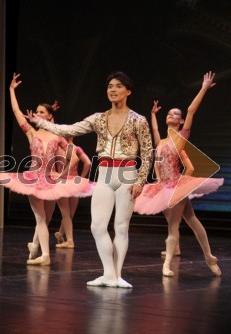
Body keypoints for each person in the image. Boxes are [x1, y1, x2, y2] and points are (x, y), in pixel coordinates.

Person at [29, 71, 153, 288]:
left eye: (117, 86)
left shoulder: (139, 120)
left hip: (127, 173)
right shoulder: (99, 118)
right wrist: (42, 122)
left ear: (128, 91)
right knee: (97, 226)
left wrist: (141, 180)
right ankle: (108, 273)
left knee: (121, 226)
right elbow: (68, 129)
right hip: (105, 172)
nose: (112, 90)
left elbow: (148, 152)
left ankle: (118, 275)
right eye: (109, 86)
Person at [0, 73, 93, 266]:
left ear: (50, 116)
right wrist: (11, 90)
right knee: (41, 218)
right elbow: (16, 112)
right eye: (37, 112)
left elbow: (74, 155)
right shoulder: (31, 132)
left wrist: (63, 174)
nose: (37, 114)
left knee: (45, 218)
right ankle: (40, 251)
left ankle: (40, 251)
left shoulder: (58, 137)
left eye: (42, 112)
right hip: (33, 178)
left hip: (49, 180)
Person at [134, 71, 223, 277]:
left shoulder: (180, 139)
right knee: (191, 219)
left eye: (175, 114)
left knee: (174, 225)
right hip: (163, 186)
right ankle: (209, 256)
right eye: (169, 113)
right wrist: (154, 114)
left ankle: (166, 265)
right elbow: (155, 130)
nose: (171, 115)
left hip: (176, 185)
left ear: (181, 122)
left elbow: (192, 110)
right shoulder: (162, 142)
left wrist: (203, 88)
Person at [54, 136, 93, 249]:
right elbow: (88, 163)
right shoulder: (77, 149)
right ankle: (61, 234)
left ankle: (69, 240)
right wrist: (81, 178)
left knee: (66, 214)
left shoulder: (57, 148)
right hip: (74, 182)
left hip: (62, 181)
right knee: (70, 214)